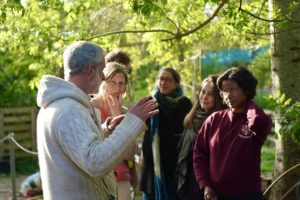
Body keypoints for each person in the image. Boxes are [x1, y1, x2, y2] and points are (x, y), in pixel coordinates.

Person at [36, 40, 159, 200]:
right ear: (90, 70)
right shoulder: (69, 110)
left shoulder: (64, 106)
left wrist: (106, 131)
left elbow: (81, 151)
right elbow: (95, 162)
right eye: (102, 70)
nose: (103, 77)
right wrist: (133, 121)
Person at [193, 67, 272, 200]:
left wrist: (249, 102)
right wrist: (205, 184)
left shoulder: (255, 118)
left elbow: (260, 121)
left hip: (247, 195)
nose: (228, 96)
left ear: (246, 90)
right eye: (224, 91)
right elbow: (199, 154)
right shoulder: (214, 119)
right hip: (215, 195)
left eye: (232, 90)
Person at [140, 67, 192, 200]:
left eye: (168, 80)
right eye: (160, 79)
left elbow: (188, 132)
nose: (163, 83)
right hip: (153, 163)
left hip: (175, 164)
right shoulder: (149, 103)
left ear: (176, 83)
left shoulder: (184, 104)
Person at [91, 62, 138, 200]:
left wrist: (119, 117)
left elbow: (130, 154)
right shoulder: (91, 108)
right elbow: (94, 146)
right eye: (112, 82)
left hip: (122, 178)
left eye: (121, 83)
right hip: (99, 179)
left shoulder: (125, 112)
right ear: (103, 83)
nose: (117, 88)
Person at [176, 75, 226, 200]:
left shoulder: (220, 121)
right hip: (187, 178)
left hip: (207, 183)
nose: (204, 97)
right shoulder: (192, 117)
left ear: (219, 98)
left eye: (211, 94)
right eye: (203, 92)